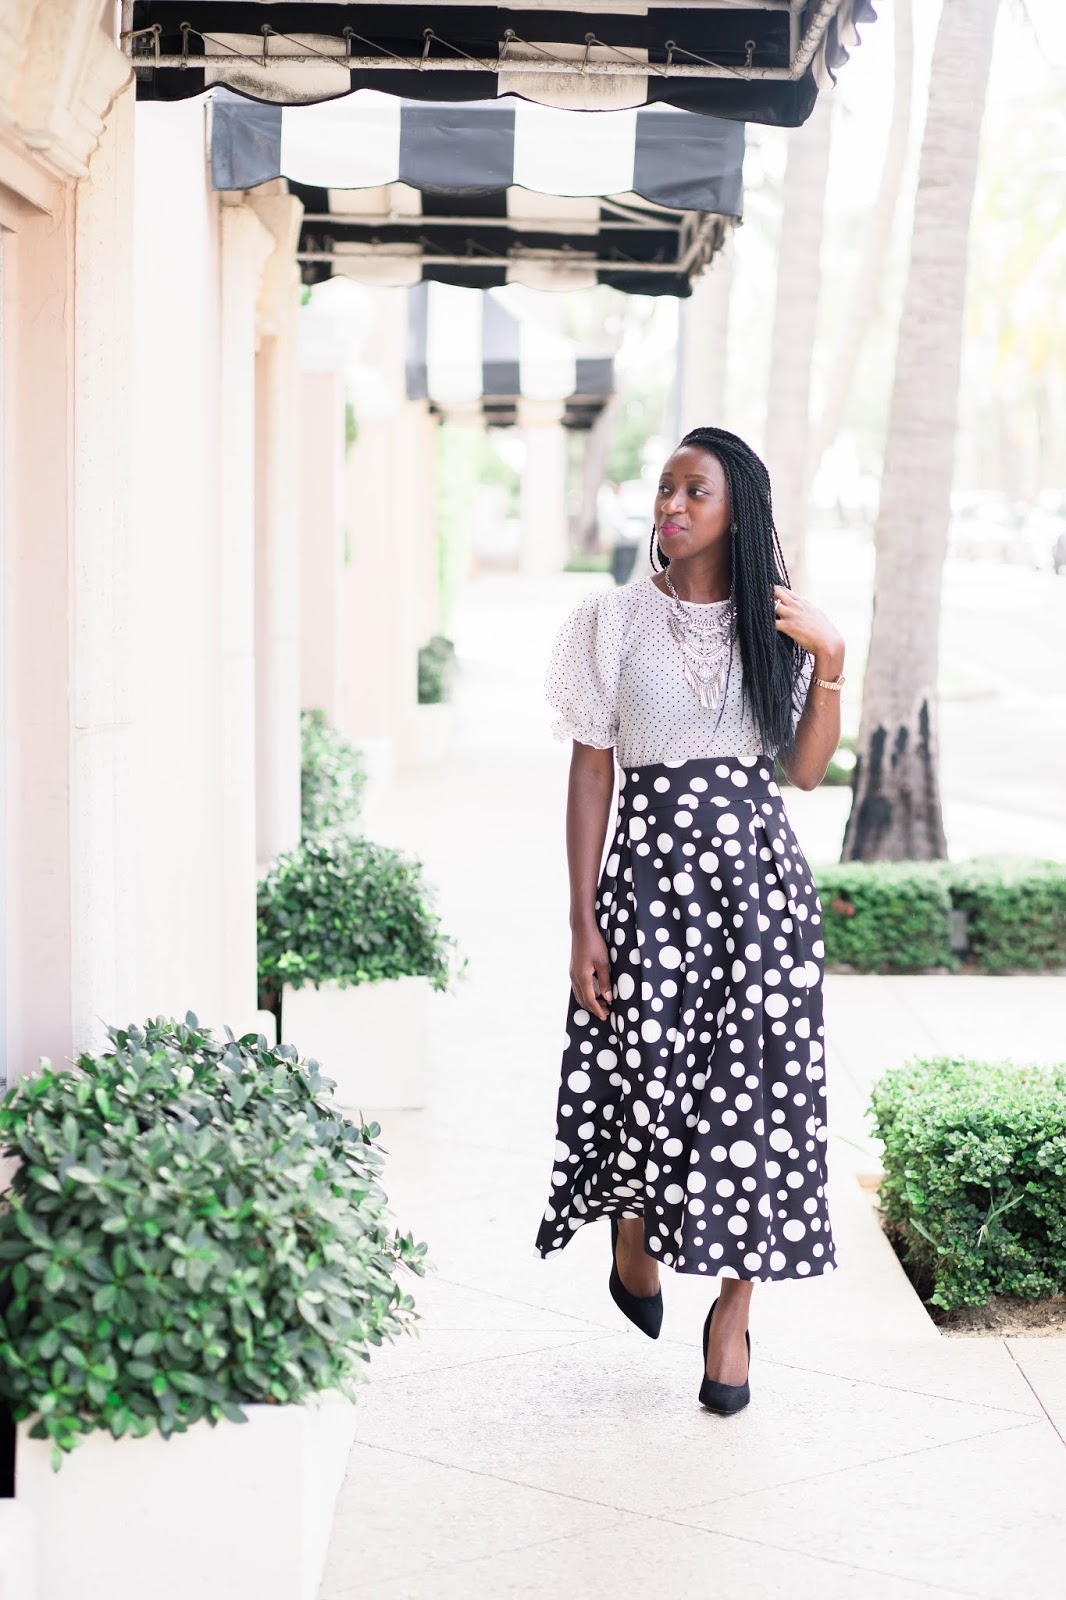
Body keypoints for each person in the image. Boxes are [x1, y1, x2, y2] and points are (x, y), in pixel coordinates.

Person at [536, 426, 845, 1415]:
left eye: (692, 490)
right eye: (664, 488)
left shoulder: (775, 623)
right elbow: (592, 772)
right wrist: (583, 921)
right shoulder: (613, 621)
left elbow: (804, 771)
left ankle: (732, 1316)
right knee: (646, 1075)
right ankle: (632, 1229)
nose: (670, 504)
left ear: (736, 510)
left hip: (760, 892)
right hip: (649, 886)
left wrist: (831, 659)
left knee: (758, 1099)